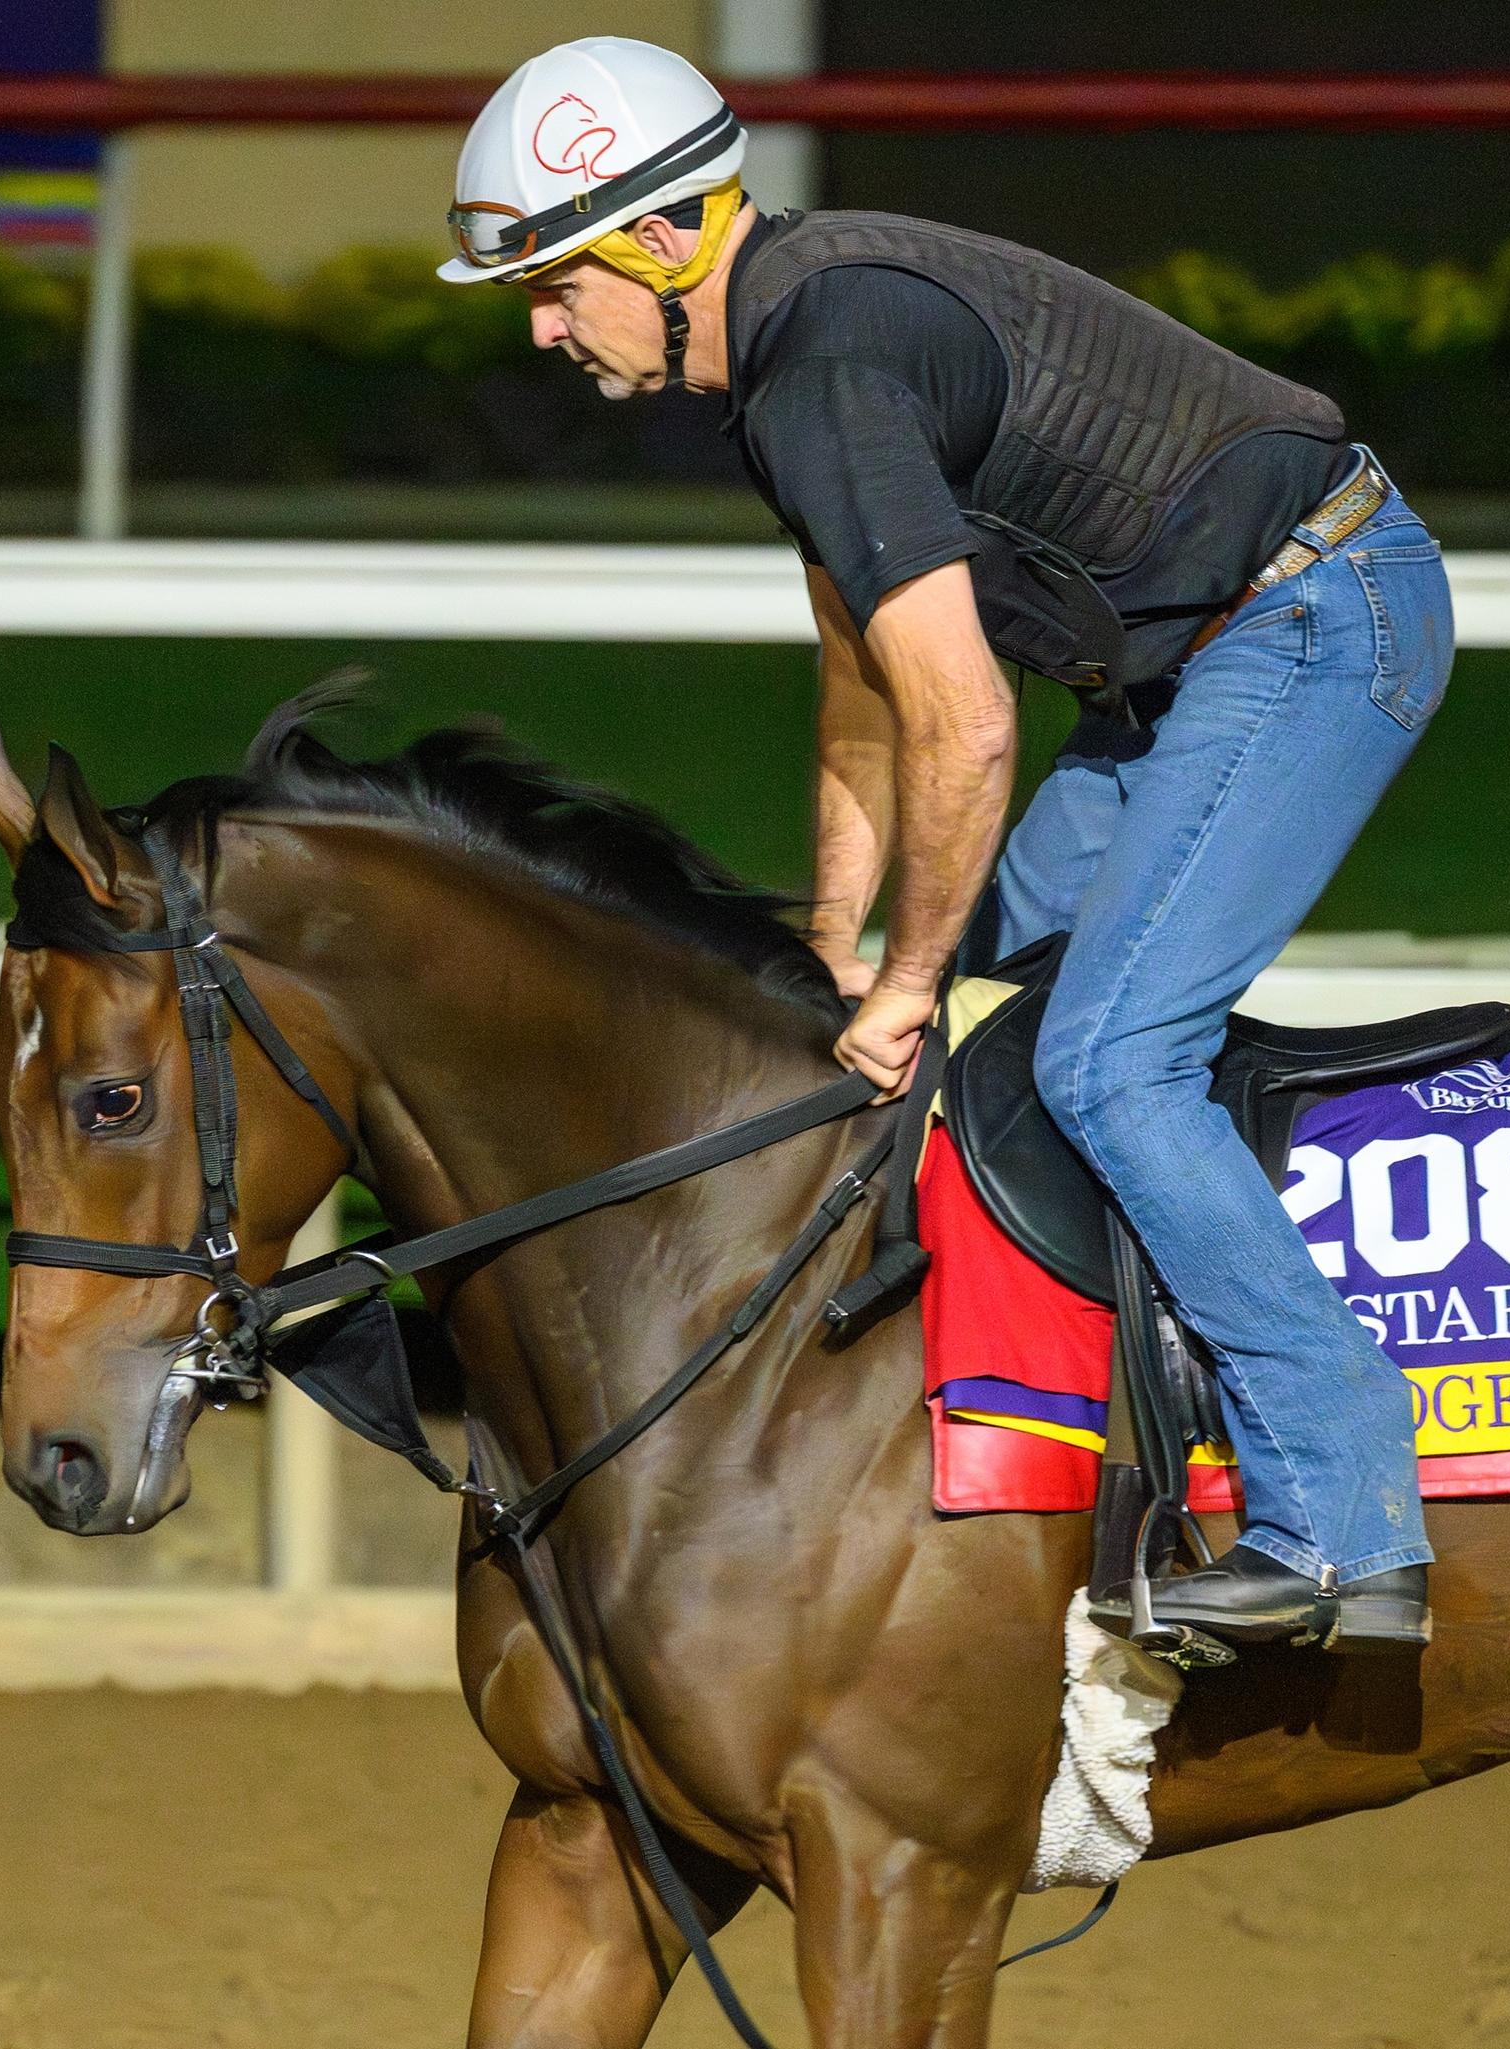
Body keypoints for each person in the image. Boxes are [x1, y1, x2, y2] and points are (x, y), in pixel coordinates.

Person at [440, 37, 1454, 1654]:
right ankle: (1044, 1473)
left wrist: (905, 976)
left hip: (1318, 617)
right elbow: (862, 688)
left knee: (1108, 1063)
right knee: (969, 1040)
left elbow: (966, 722)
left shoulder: (823, 369)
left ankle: (1345, 1527)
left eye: (558, 287)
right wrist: (840, 951)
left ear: (661, 241)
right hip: (1188, 661)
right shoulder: (789, 358)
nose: (544, 329)